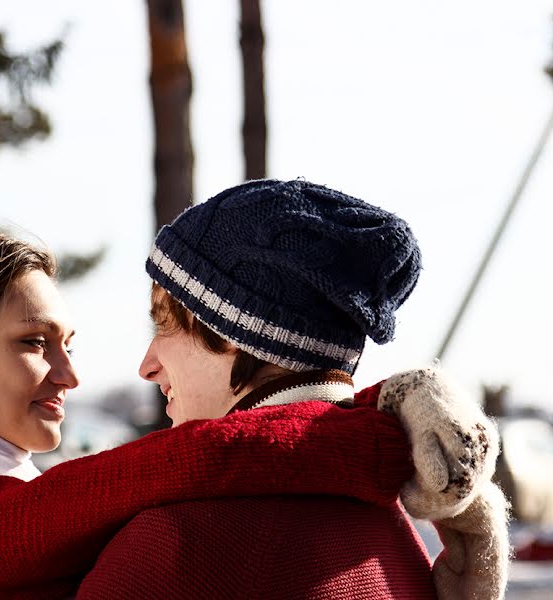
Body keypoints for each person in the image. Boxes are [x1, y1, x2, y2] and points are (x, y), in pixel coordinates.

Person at [0, 225, 490, 599]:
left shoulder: (50, 499)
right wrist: (363, 427)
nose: (70, 374)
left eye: (67, 343)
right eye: (33, 344)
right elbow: (187, 463)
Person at [77, 179, 510, 599]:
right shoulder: (390, 532)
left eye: (165, 323)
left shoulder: (182, 543)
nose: (147, 366)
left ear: (230, 328)